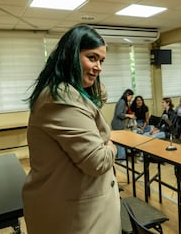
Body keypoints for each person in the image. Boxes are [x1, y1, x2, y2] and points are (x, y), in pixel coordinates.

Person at [22, 25, 120, 234]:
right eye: (92, 57)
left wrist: (88, 75)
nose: (99, 67)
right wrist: (111, 146)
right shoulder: (63, 98)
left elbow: (99, 97)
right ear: (71, 55)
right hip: (75, 214)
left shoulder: (66, 91)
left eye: (101, 61)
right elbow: (98, 161)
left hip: (72, 202)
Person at [111, 89, 135, 160]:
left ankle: (121, 157)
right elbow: (119, 114)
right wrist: (128, 115)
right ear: (127, 95)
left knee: (120, 142)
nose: (131, 99)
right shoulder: (122, 102)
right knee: (120, 142)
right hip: (117, 124)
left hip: (119, 124)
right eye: (131, 97)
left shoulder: (124, 102)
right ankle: (121, 158)